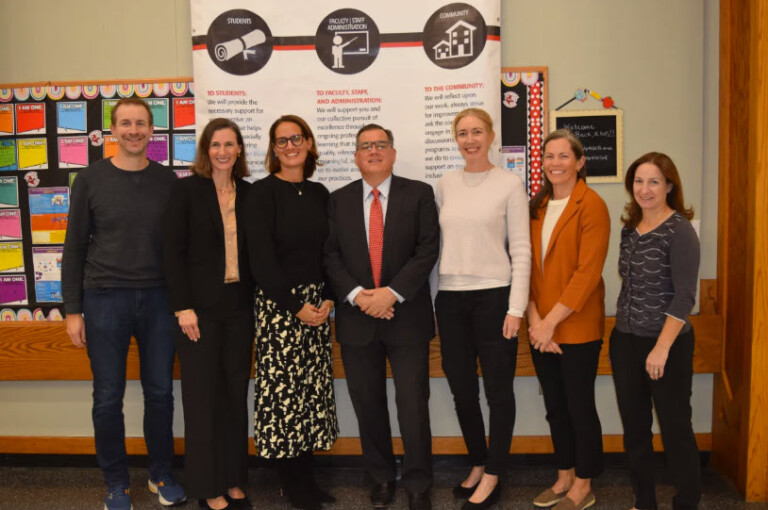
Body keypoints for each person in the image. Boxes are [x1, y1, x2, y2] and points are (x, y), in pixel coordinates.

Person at [61, 97, 186, 510]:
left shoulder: (169, 181)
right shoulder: (90, 180)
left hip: (158, 300)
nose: (134, 130)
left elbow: (180, 248)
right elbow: (75, 247)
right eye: (126, 123)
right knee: (108, 396)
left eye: (141, 123)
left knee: (160, 394)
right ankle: (115, 483)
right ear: (114, 131)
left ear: (152, 131)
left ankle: (161, 474)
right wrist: (73, 311)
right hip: (104, 299)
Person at [324, 124, 439, 510]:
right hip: (358, 320)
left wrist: (390, 293)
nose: (373, 151)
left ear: (392, 152)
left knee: (412, 404)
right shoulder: (337, 200)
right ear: (355, 157)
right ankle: (380, 476)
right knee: (368, 404)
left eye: (380, 145)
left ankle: (419, 480)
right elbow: (330, 256)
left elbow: (427, 250)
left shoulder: (419, 193)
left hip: (407, 317)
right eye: (365, 146)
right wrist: (359, 297)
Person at [434, 108, 530, 510]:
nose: (469, 139)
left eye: (476, 132)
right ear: (455, 139)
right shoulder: (444, 184)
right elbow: (435, 248)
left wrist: (516, 308)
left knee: (497, 391)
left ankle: (494, 471)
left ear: (491, 136)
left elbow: (521, 249)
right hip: (451, 298)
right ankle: (477, 460)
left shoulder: (509, 184)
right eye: (462, 133)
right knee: (461, 389)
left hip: (495, 297)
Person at [244, 115, 338, 510]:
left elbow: (333, 251)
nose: (289, 146)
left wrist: (329, 298)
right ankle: (293, 484)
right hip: (280, 306)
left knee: (310, 394)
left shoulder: (320, 193)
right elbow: (260, 261)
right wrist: (295, 307)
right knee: (284, 399)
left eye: (296, 138)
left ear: (309, 143)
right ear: (273, 149)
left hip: (318, 305)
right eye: (281, 141)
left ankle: (308, 480)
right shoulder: (260, 194)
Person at [163, 118, 254, 510]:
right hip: (196, 313)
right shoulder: (186, 192)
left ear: (239, 150)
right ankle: (206, 486)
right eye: (216, 144)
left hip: (238, 310)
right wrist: (182, 306)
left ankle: (233, 478)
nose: (222, 151)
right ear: (206, 149)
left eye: (230, 144)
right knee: (201, 400)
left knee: (234, 396)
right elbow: (172, 253)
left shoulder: (249, 194)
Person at [610, 152, 701, 510]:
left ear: (669, 186)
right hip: (626, 341)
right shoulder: (629, 229)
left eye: (653, 182)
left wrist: (661, 349)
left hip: (668, 346)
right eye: (638, 181)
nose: (644, 190)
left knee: (676, 429)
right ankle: (643, 502)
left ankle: (687, 502)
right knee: (635, 431)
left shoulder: (680, 230)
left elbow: (684, 298)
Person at [527, 129, 610, 510]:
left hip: (575, 327)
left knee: (579, 406)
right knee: (555, 407)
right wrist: (535, 320)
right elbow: (525, 267)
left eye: (564, 156)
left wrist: (550, 324)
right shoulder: (537, 206)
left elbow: (587, 274)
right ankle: (563, 475)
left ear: (579, 162)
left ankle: (583, 483)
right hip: (540, 326)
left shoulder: (591, 204)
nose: (555, 163)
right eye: (549, 156)